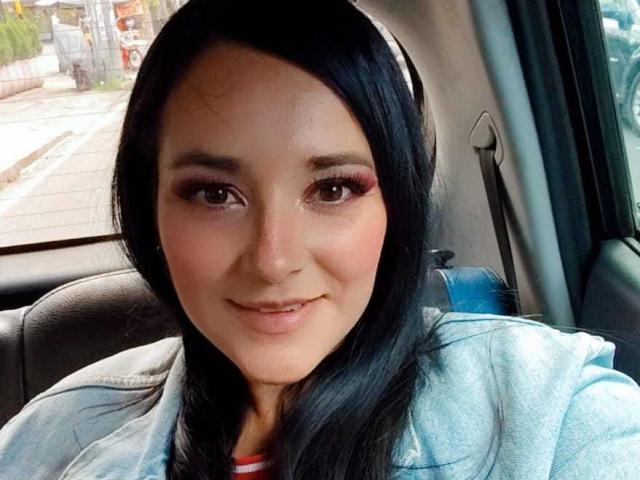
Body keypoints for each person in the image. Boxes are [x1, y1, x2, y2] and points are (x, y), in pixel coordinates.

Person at [1, 1, 640, 478]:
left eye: (333, 189)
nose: (273, 260)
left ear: (395, 204)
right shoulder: (50, 439)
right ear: (151, 210)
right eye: (215, 194)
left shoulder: (550, 413)